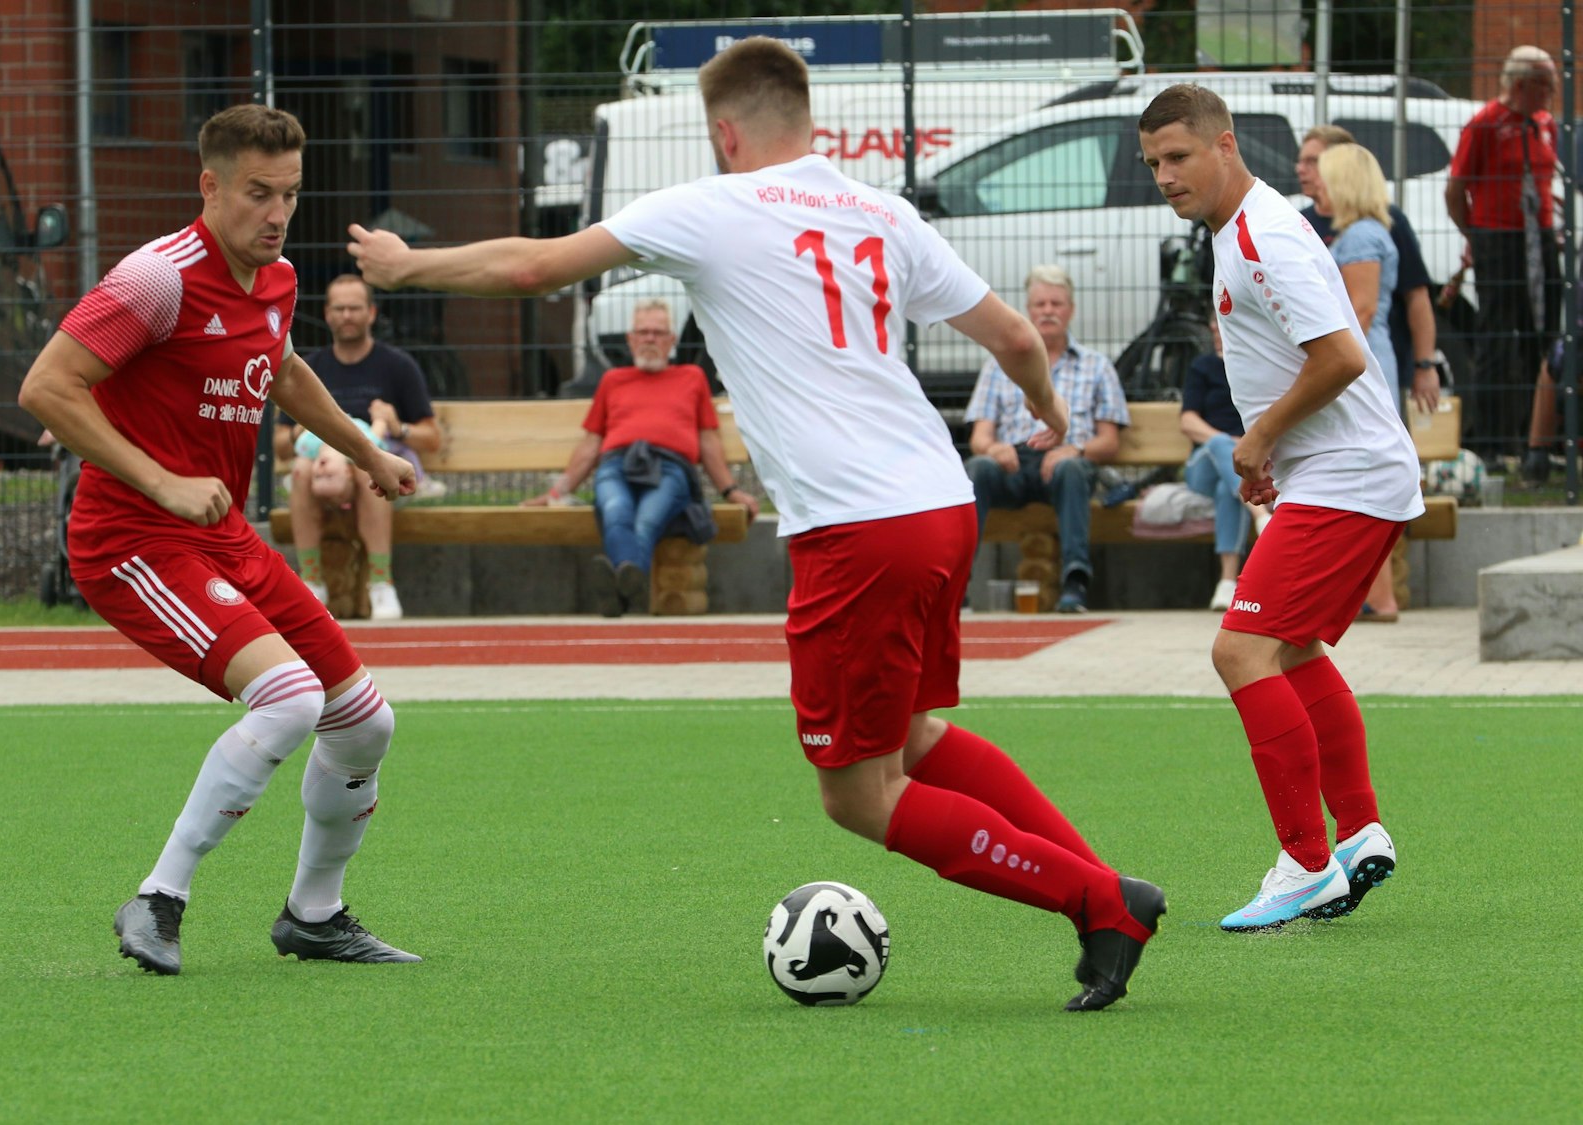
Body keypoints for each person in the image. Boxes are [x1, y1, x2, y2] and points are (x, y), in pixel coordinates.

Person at [350, 36, 1166, 1012]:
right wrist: (1045, 411)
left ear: (724, 132)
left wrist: (404, 266)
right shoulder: (879, 210)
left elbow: (532, 267)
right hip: (938, 505)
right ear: (805, 117)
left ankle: (1096, 899)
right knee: (909, 738)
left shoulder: (710, 207)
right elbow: (1015, 337)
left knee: (854, 796)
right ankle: (1107, 888)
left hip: (857, 529)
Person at [17, 104, 421, 975]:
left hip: (221, 536)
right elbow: (48, 387)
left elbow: (278, 366)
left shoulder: (272, 280)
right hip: (132, 537)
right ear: (210, 186)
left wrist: (366, 452)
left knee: (364, 724)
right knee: (287, 697)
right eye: (257, 194)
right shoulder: (157, 279)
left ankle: (314, 913)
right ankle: (158, 899)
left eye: (291, 195)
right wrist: (158, 480)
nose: (276, 214)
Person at [1140, 83, 1420, 932]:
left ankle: (1303, 862)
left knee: (1240, 652)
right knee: (1291, 651)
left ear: (1225, 145)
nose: (1165, 176)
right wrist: (1272, 454)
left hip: (1350, 475)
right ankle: (1359, 829)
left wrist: (1258, 438)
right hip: (1336, 473)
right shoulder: (1242, 230)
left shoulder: (1261, 234)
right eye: (1153, 162)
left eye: (1178, 156)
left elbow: (1341, 357)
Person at [523, 299, 759, 617]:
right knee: (616, 509)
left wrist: (731, 491)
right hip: (616, 463)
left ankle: (619, 591)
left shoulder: (691, 378)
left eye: (658, 333)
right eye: (643, 332)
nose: (650, 339)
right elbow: (591, 445)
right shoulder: (613, 381)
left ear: (672, 340)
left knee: (647, 517)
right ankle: (627, 586)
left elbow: (708, 441)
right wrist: (555, 493)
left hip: (670, 467)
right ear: (631, 339)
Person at [963, 264, 1128, 614]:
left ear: (1071, 309)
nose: (1048, 311)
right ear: (1028, 310)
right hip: (1013, 463)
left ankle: (1075, 584)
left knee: (1072, 471)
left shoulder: (1098, 366)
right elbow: (980, 437)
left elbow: (1110, 442)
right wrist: (994, 449)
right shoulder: (998, 364)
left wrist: (1075, 449)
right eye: (1040, 304)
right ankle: (957, 584)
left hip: (1068, 464)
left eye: (1056, 303)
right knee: (977, 468)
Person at [277, 274, 442, 618]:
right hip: (318, 470)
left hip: (380, 475)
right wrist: (299, 434)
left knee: (375, 470)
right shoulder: (310, 367)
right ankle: (312, 585)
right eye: (339, 308)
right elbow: (279, 444)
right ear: (326, 314)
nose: (347, 316)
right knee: (303, 467)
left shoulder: (398, 366)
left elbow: (432, 438)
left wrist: (399, 427)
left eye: (354, 308)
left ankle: (381, 585)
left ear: (370, 313)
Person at [1445, 45, 1560, 479]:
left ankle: (1537, 442)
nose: (1552, 92)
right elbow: (1456, 189)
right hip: (1498, 238)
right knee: (1497, 337)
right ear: (1521, 85)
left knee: (1544, 337)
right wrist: (1475, 236)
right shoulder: (1486, 123)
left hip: (1541, 237)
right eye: (1545, 84)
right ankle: (1492, 443)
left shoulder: (1544, 123)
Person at [1319, 142, 1411, 622]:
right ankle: (1379, 597)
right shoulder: (1370, 232)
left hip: (1360, 366)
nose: (1317, 185)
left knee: (1359, 478)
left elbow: (1361, 308)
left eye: (1325, 176)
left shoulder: (1359, 238)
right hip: (1375, 361)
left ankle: (1380, 597)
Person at [1295, 126, 1442, 413]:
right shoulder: (1302, 222)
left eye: (1316, 163)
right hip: (1354, 358)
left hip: (1359, 360)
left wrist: (1424, 365)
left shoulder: (1369, 230)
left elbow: (1365, 311)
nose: (1304, 170)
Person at [1178, 313, 1254, 611]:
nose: (1216, 331)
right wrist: (1232, 443)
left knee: (1230, 490)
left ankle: (1226, 582)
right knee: (1221, 446)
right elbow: (1188, 421)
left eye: (1222, 324)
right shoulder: (1203, 367)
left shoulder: (1254, 368)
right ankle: (1260, 513)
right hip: (1203, 466)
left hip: (1241, 470)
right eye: (1213, 326)